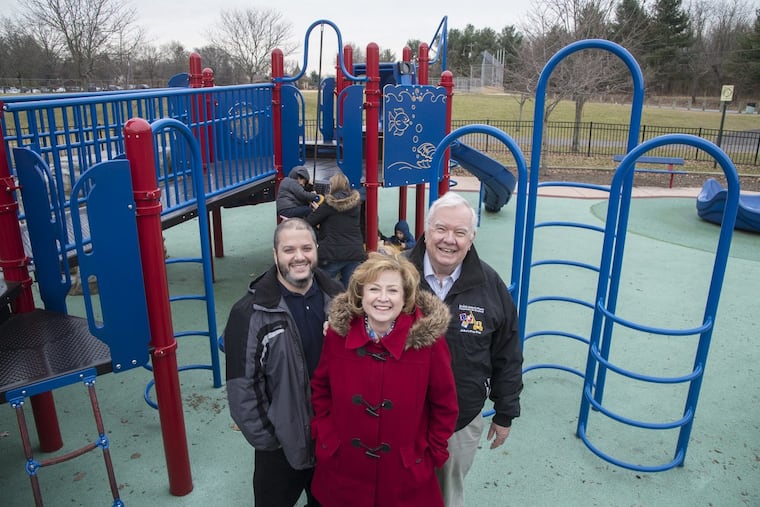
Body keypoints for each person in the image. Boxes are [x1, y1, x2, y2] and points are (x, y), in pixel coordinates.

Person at [310, 252, 458, 507]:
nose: (382, 298)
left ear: (405, 296)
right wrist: (326, 436)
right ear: (361, 294)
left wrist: (429, 455)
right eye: (374, 289)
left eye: (392, 290)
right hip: (344, 466)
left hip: (405, 474)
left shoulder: (428, 343)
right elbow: (321, 388)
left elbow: (445, 405)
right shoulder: (337, 335)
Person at [407, 191, 523, 507]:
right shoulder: (398, 278)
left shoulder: (490, 285)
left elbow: (507, 353)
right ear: (426, 231)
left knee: (445, 496)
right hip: (401, 419)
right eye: (441, 229)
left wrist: (505, 412)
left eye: (460, 233)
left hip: (459, 421)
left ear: (471, 239)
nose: (449, 240)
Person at [224, 218, 344, 507]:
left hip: (331, 440)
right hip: (280, 448)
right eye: (289, 249)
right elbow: (242, 390)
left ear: (316, 249)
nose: (299, 256)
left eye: (306, 247)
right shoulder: (249, 313)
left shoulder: (340, 300)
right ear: (275, 254)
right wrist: (270, 441)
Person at [306, 171, 366, 288]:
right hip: (354, 252)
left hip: (332, 253)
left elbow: (309, 222)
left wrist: (318, 210)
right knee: (350, 289)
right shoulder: (356, 204)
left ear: (332, 186)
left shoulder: (329, 204)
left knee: (324, 287)